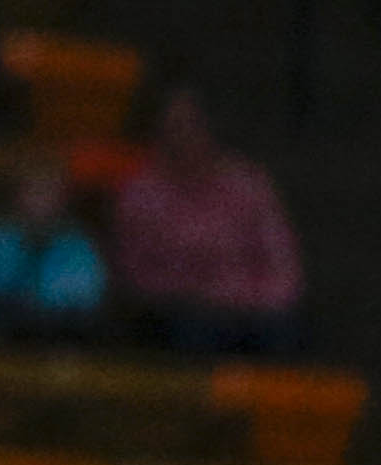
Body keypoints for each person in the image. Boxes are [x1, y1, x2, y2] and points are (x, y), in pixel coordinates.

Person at [111, 91, 305, 355]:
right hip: (177, 313)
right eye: (173, 128)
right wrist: (193, 294)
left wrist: (237, 297)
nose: (181, 138)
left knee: (284, 330)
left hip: (246, 311)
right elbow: (134, 274)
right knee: (189, 329)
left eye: (191, 126)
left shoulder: (248, 187)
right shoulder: (142, 195)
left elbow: (283, 269)